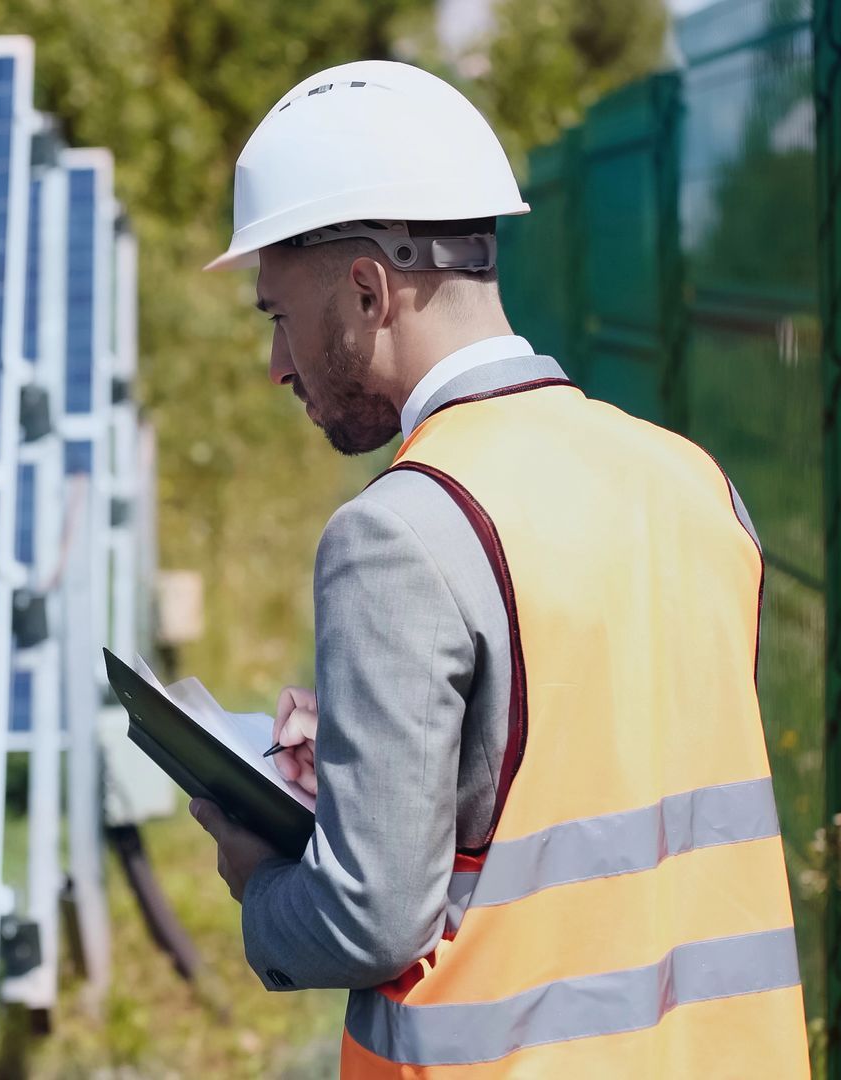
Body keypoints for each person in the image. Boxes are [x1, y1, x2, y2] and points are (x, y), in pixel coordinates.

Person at [188, 59, 807, 1076]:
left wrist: (262, 883)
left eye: (276, 317)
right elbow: (584, 781)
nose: (278, 366)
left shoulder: (396, 534)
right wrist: (366, 762)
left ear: (366, 289)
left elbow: (371, 920)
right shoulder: (692, 481)